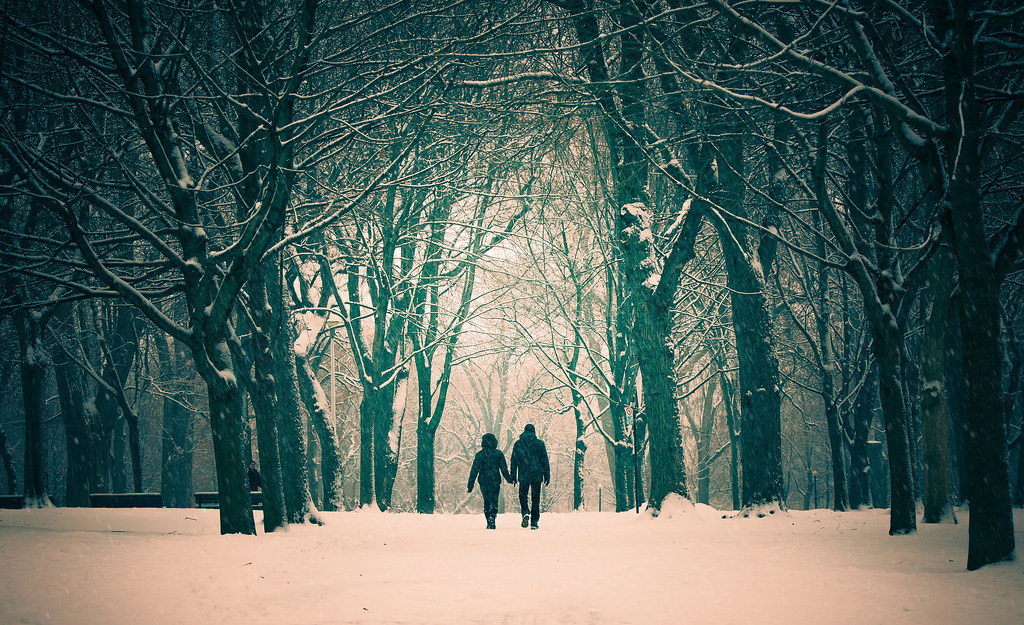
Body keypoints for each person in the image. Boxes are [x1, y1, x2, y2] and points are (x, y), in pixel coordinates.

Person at [509, 423, 550, 529]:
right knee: (536, 498)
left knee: (523, 496)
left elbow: (514, 460)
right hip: (537, 474)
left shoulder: (518, 444)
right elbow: (544, 460)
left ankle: (525, 512)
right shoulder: (540, 444)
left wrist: (513, 475)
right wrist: (547, 474)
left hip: (523, 474)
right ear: (534, 432)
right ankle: (534, 522)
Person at [467, 433, 512, 529]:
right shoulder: (498, 454)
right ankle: (493, 516)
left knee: (486, 501)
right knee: (494, 500)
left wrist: (470, 484)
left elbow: (474, 470)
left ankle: (488, 520)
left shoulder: (479, 455)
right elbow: (504, 469)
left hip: (483, 480)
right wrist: (509, 479)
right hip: (495, 480)